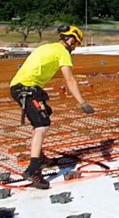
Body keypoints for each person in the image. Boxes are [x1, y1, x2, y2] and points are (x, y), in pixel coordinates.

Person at [9, 24, 95, 189]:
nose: (75, 48)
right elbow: (69, 79)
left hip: (24, 87)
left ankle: (40, 157)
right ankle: (33, 169)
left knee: (44, 115)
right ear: (70, 40)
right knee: (42, 125)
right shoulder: (63, 53)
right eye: (76, 43)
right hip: (26, 89)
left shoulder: (48, 47)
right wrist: (82, 102)